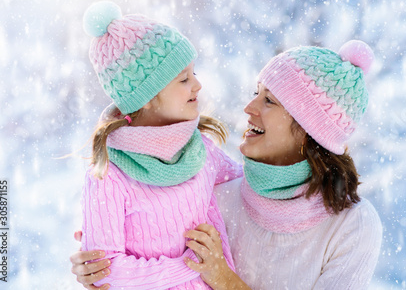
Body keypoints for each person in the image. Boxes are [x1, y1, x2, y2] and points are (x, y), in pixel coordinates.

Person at [71, 41, 383, 289]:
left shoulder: (352, 227)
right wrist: (99, 261)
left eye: (269, 101)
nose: (248, 108)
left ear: (308, 130)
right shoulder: (216, 193)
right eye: (255, 94)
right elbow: (143, 243)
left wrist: (226, 281)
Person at [74, 1, 242, 289]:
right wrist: (190, 266)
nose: (197, 85)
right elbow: (106, 270)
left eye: (194, 74)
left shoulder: (199, 148)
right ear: (147, 97)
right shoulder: (108, 175)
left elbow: (247, 187)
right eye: (184, 79)